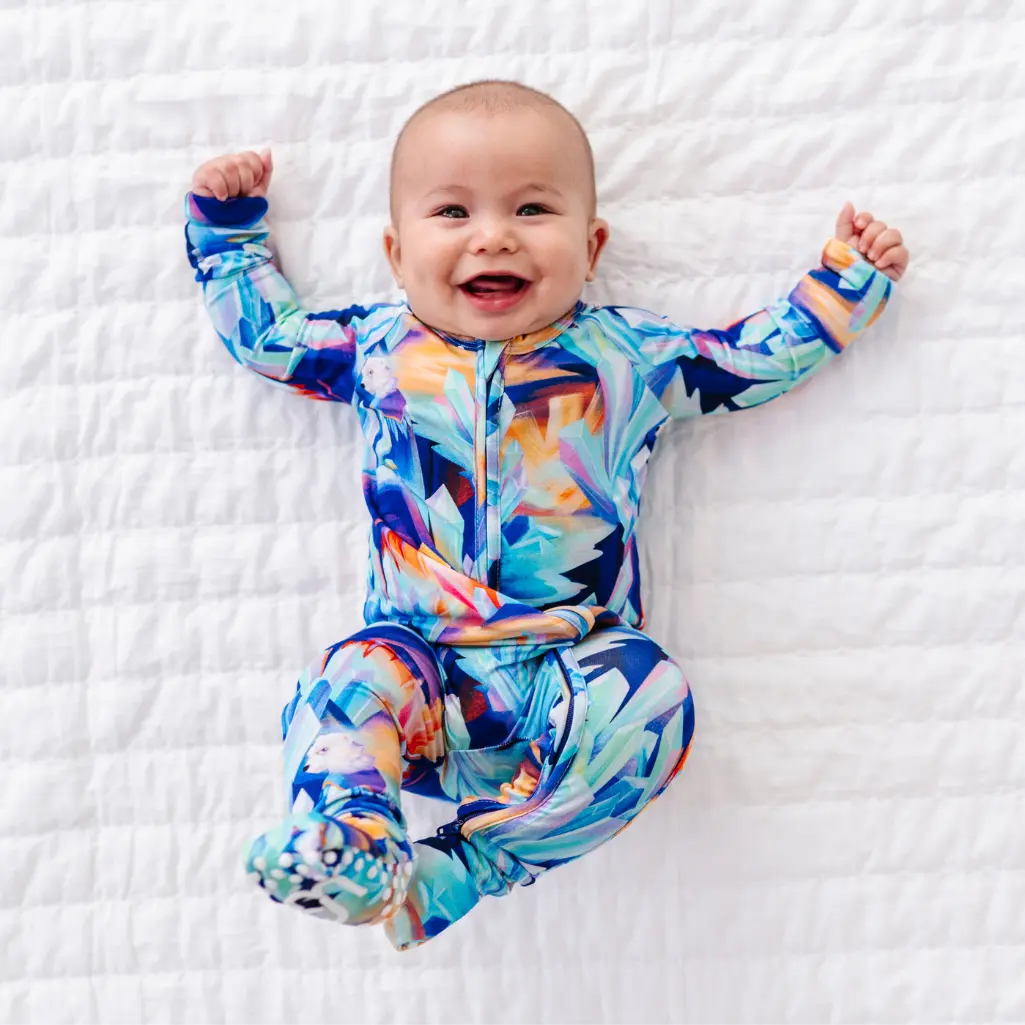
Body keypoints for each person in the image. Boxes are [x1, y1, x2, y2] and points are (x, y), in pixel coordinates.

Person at [184, 79, 909, 951]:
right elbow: (267, 337)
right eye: (451, 212)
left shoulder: (625, 359)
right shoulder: (373, 350)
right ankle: (356, 832)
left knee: (656, 696)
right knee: (346, 679)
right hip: (423, 676)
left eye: (532, 208)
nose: (493, 234)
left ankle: (460, 867)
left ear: (591, 244)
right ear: (396, 252)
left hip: (571, 677)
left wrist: (845, 282)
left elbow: (746, 361)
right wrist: (230, 238)